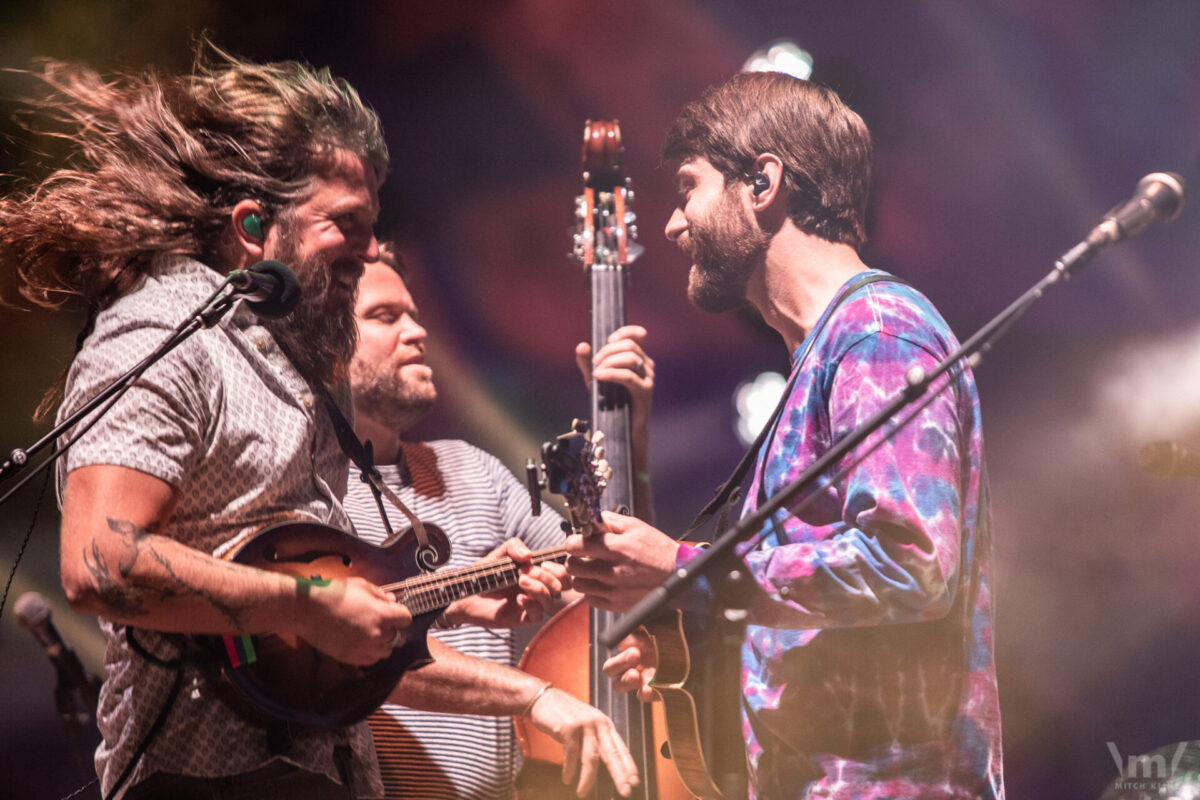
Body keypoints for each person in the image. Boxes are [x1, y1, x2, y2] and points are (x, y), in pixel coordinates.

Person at [0, 45, 637, 799]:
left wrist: (445, 598)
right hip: (204, 780)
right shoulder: (159, 336)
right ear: (251, 228)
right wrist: (313, 604)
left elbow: (286, 602)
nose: (370, 251)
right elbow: (99, 562)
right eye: (347, 224)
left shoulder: (285, 365)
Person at [565, 71, 1004, 799]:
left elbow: (909, 565)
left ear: (763, 182)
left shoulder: (878, 333)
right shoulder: (825, 355)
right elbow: (807, 618)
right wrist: (695, 646)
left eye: (688, 189)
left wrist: (683, 570)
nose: (675, 227)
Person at [343, 246, 655, 800]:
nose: (418, 332)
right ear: (327, 340)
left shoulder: (471, 469)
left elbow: (615, 577)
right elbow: (351, 648)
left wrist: (629, 436)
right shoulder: (311, 487)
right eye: (386, 317)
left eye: (416, 315)